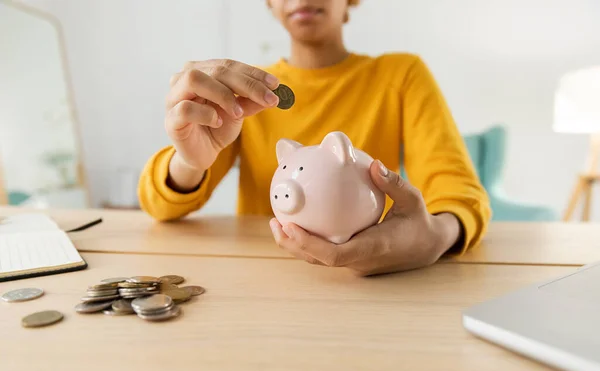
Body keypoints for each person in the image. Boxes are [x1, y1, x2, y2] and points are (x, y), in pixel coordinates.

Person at [138, 0, 492, 276]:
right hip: (262, 280)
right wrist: (187, 161)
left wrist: (435, 237)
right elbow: (161, 207)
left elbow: (459, 193)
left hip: (372, 286)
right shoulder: (242, 96)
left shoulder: (401, 75)